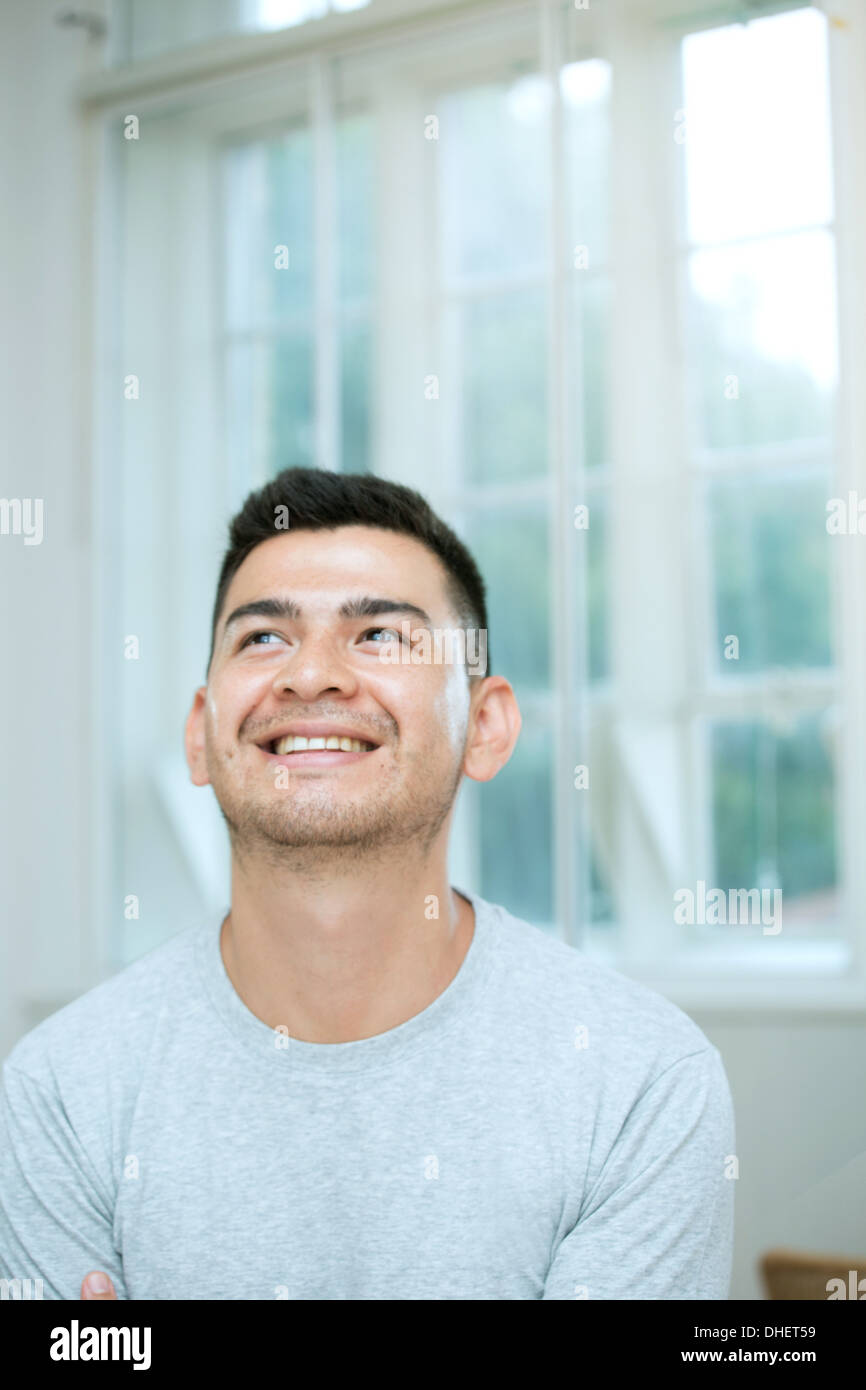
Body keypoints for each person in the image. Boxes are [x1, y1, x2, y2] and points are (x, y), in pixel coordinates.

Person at [0, 467, 735, 1300]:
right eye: (263, 638)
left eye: (381, 634)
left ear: (484, 727)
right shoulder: (60, 1089)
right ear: (201, 736)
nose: (310, 676)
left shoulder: (642, 1084)